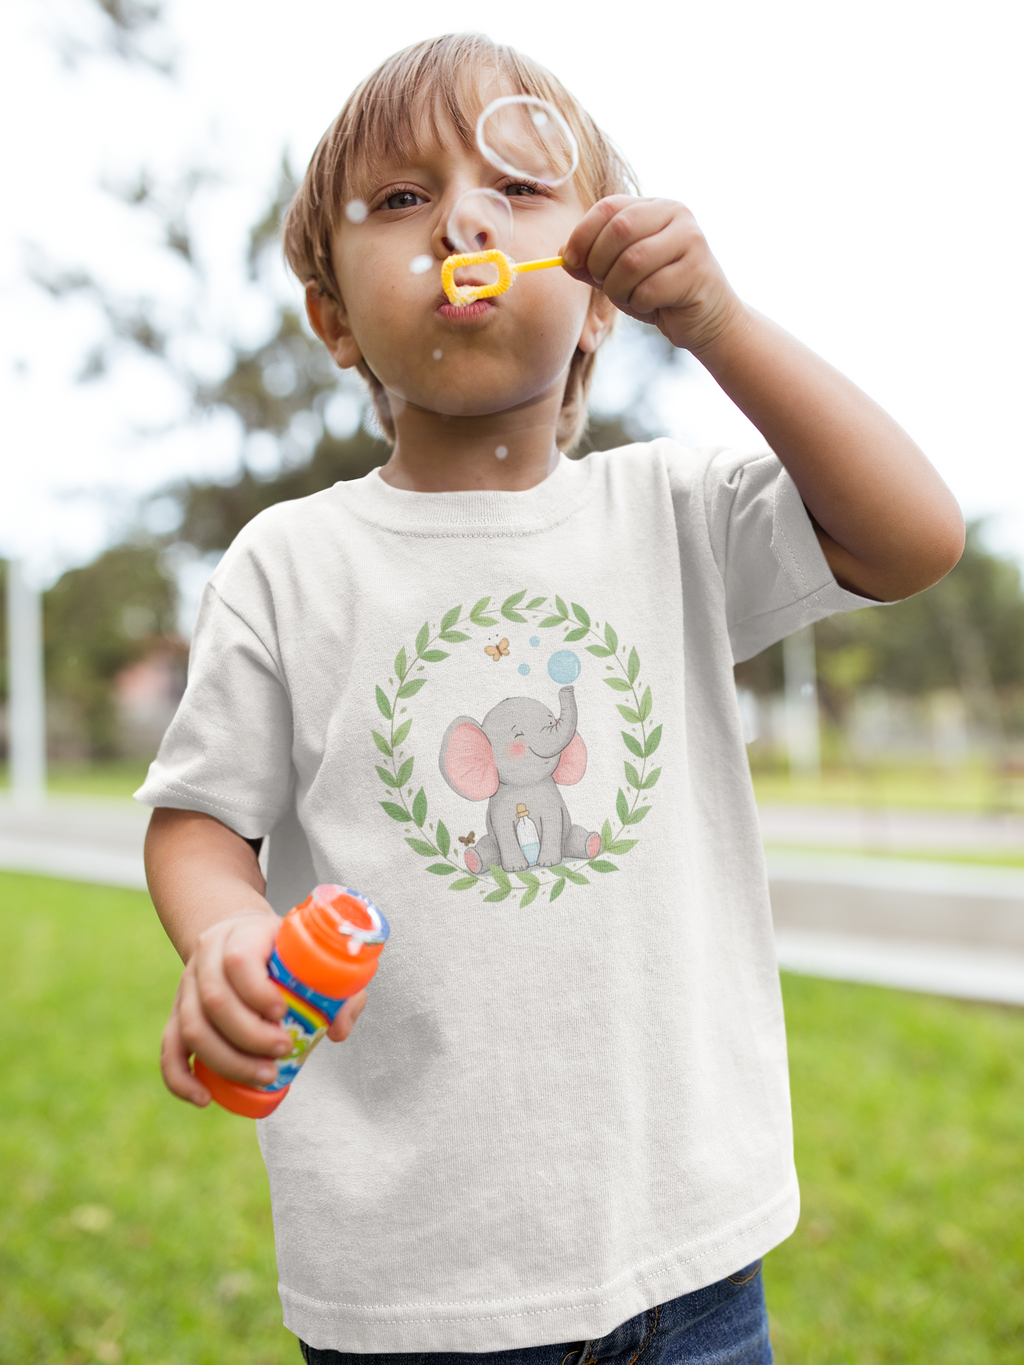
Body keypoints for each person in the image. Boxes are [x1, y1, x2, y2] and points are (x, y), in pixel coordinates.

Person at [137, 33, 964, 1365]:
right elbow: (197, 820)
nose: (463, 216)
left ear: (594, 295)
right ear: (334, 316)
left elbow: (912, 538)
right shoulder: (293, 564)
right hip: (408, 1285)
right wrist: (226, 933)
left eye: (518, 188)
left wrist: (724, 326)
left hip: (690, 1258)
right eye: (401, 201)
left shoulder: (676, 512)